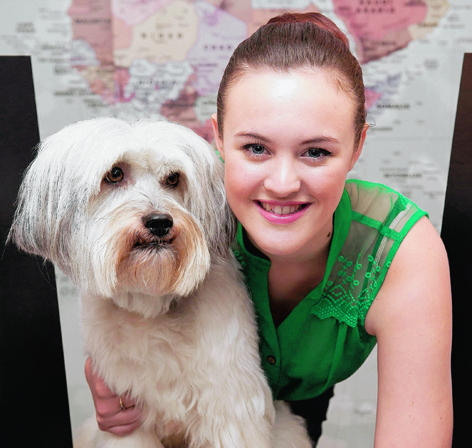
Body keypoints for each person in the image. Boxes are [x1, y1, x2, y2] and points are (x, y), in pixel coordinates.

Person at [85, 12, 453, 447]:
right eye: (255, 148)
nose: (282, 184)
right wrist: (107, 372)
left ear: (357, 147)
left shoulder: (399, 252)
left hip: (295, 410)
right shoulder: (177, 210)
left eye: (315, 152)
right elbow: (107, 270)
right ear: (218, 140)